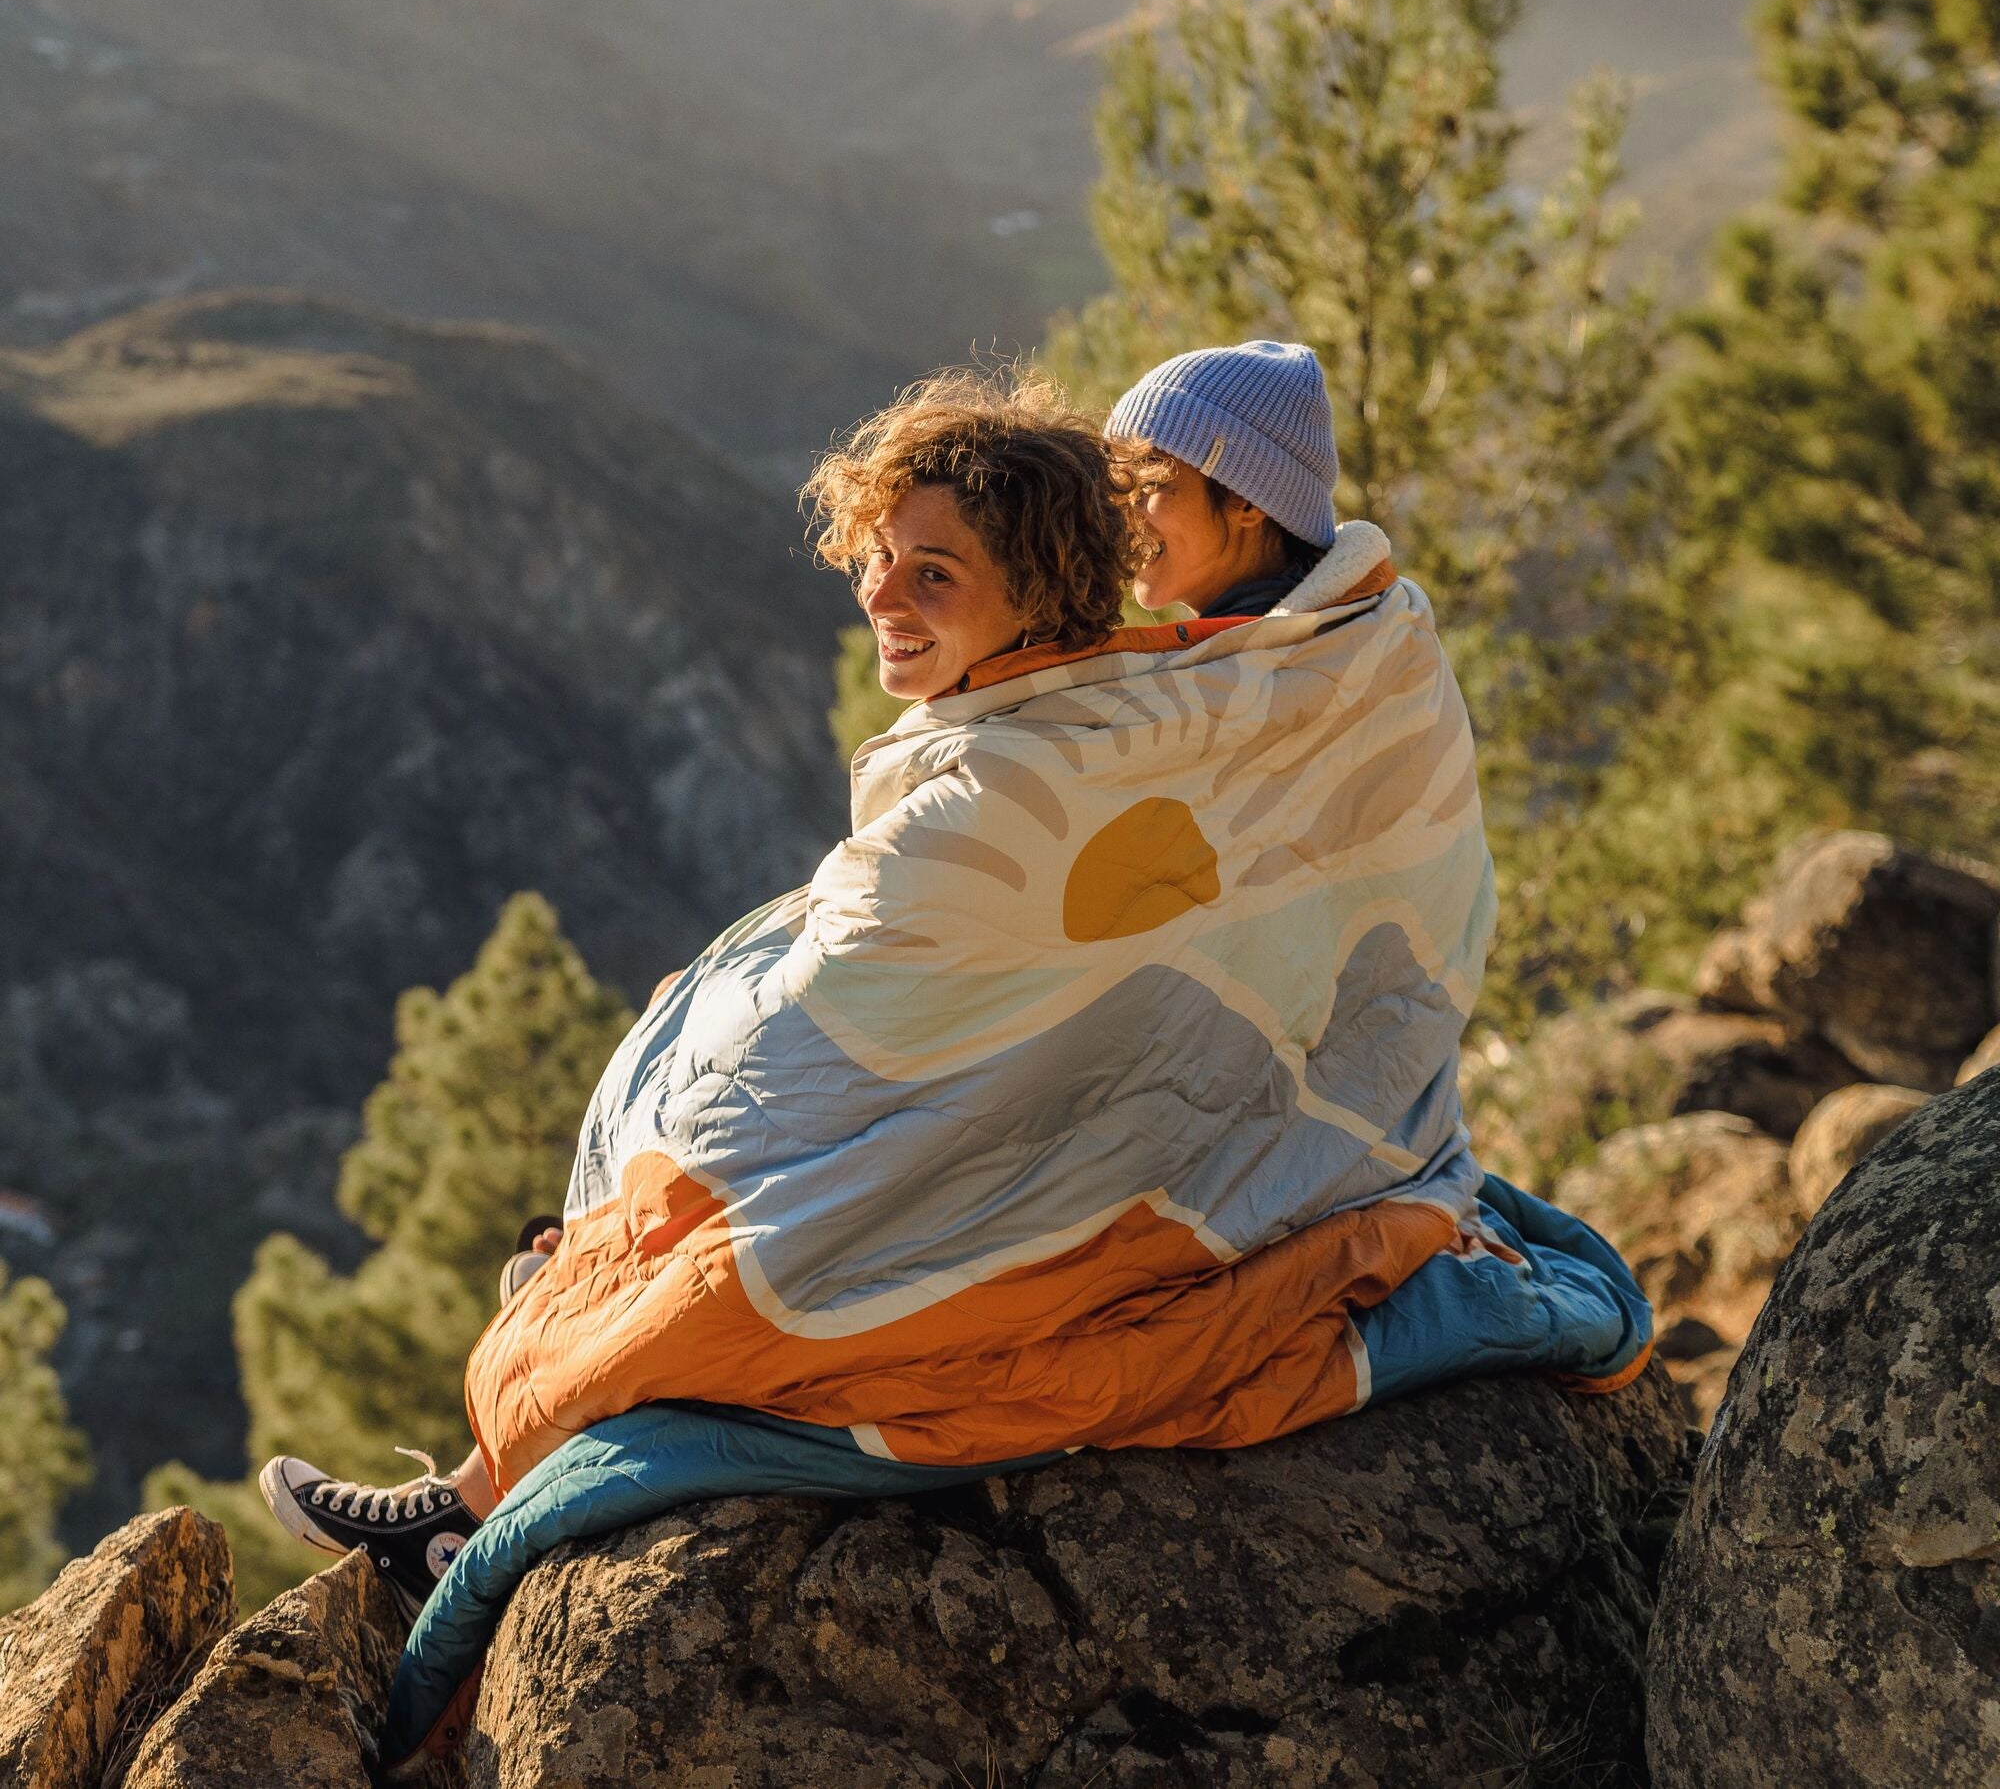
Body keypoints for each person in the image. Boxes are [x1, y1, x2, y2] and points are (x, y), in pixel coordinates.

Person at [257, 367, 1144, 1608]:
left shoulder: (985, 795)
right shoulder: (1092, 723)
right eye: (875, 556)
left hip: (994, 1197)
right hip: (1023, 1140)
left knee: (676, 1241)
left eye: (931, 572)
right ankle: (489, 1462)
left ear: (1038, 586)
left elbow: (799, 1055)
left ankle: (458, 1518)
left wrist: (653, 1169)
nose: (880, 594)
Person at [1108, 338, 1341, 620]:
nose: (1121, 513)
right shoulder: (1358, 633)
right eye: (1120, 485)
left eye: (1150, 482)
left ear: (1248, 499)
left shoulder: (1303, 658)